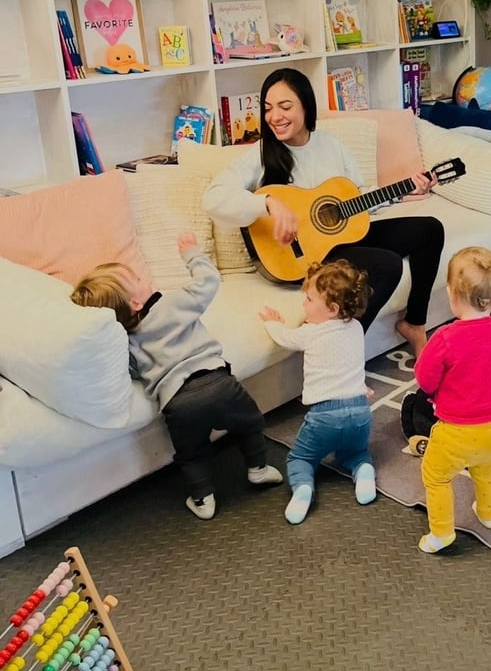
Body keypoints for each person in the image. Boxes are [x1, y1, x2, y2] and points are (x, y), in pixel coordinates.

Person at [203, 67, 443, 357]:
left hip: (338, 240)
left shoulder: (331, 146)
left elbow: (356, 201)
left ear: (306, 105)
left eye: (285, 106)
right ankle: (338, 351)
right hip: (297, 258)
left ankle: (414, 323)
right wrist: (267, 203)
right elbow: (213, 199)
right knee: (387, 264)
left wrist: (403, 192)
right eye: (268, 108)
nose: (274, 116)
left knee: (429, 228)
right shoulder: (260, 154)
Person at [70, 232, 282, 521]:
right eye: (138, 280)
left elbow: (134, 371)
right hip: (219, 383)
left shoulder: (128, 340)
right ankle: (258, 469)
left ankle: (203, 499)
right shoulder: (173, 303)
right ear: (134, 303)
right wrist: (192, 255)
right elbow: (208, 282)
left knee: (191, 453)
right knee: (249, 423)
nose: (146, 279)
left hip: (178, 403)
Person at [414, 246, 491, 554]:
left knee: (435, 476)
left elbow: (425, 378)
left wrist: (435, 393)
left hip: (456, 431)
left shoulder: (445, 338)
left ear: (451, 293)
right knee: (487, 470)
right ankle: (488, 514)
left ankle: (442, 532)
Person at [259, 258, 375, 524]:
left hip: (324, 418)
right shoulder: (356, 328)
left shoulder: (311, 333)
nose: (303, 304)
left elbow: (285, 338)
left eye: (309, 300)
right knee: (356, 453)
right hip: (360, 411)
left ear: (332, 309)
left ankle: (303, 491)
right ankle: (365, 473)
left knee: (300, 458)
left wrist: (272, 323)